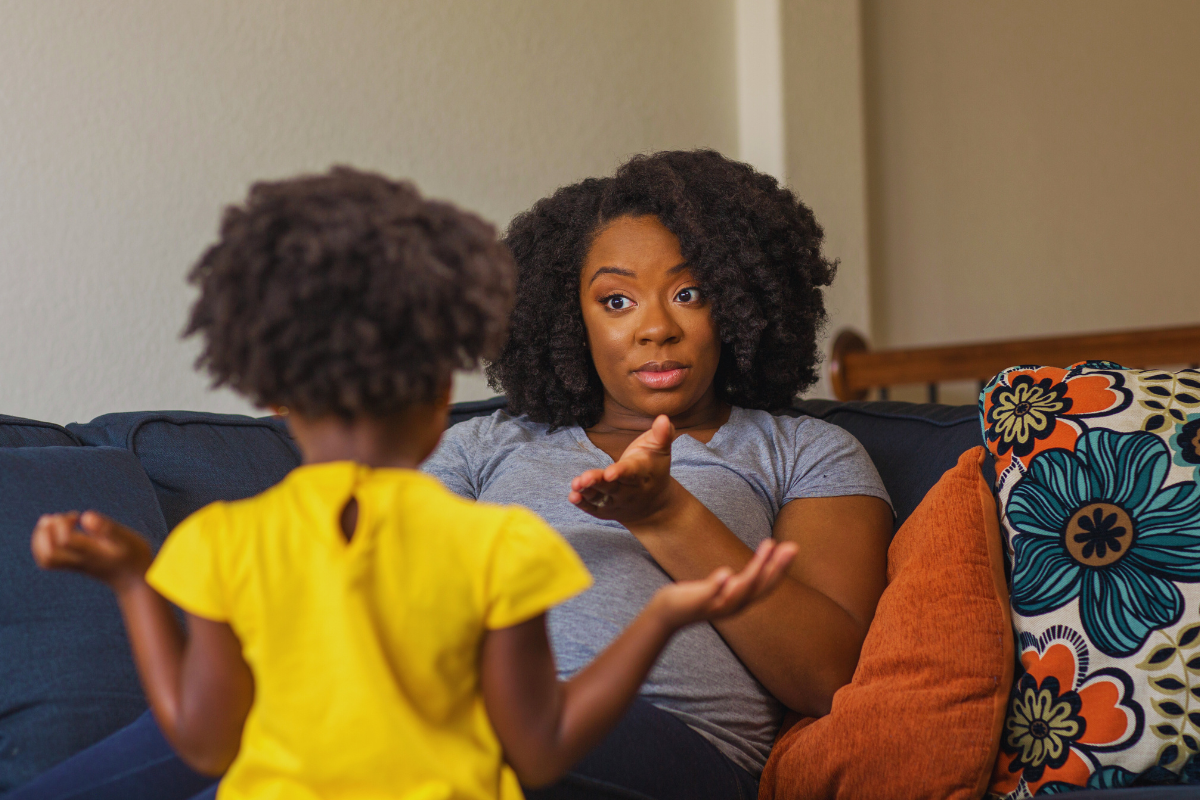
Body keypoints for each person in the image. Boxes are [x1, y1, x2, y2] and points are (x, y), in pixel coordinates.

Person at [12, 150, 892, 800]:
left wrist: (664, 512)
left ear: (743, 301)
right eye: (616, 299)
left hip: (669, 746)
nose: (653, 327)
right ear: (570, 315)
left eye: (689, 293)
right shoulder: (490, 443)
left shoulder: (800, 449)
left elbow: (824, 674)